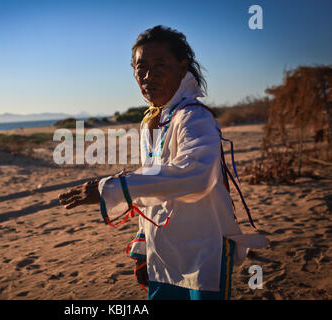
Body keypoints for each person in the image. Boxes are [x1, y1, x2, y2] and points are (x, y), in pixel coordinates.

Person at [58, 25, 267, 300]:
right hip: (163, 254)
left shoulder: (194, 117)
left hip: (204, 250)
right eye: (140, 67)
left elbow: (196, 177)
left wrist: (112, 187)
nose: (148, 75)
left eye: (159, 65)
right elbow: (154, 185)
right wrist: (143, 248)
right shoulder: (151, 122)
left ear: (183, 67)